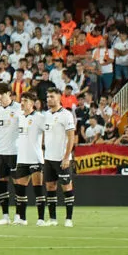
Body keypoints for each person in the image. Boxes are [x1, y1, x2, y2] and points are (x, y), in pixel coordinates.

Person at [42, 86, 77, 227]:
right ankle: (53, 219)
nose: (49, 99)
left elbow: (71, 137)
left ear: (59, 98)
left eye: (52, 96)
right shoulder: (46, 115)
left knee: (66, 187)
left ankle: (69, 219)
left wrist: (66, 157)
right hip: (49, 158)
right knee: (50, 186)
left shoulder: (66, 115)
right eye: (48, 97)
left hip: (62, 158)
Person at [13, 92, 49, 225]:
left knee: (37, 189)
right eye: (21, 100)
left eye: (25, 100)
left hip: (35, 158)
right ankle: (22, 218)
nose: (22, 103)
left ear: (33, 103)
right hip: (22, 159)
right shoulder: (20, 117)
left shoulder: (40, 117)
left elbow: (49, 131)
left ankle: (41, 219)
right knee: (20, 191)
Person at [0, 83, 20, 224]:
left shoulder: (18, 108)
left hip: (15, 151)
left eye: (1, 94)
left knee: (17, 183)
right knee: (2, 183)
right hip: (0, 151)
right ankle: (5, 216)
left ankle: (19, 215)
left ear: (9, 93)